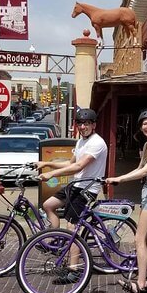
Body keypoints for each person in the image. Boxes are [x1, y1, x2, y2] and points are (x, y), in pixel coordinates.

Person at [35, 108, 108, 282]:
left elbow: (78, 167)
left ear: (94, 125)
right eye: (80, 123)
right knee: (48, 205)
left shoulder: (97, 143)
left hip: (87, 189)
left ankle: (73, 270)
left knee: (72, 228)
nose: (83, 127)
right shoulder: (81, 142)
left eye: (87, 123)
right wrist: (45, 163)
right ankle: (54, 240)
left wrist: (51, 174)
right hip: (75, 185)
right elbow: (69, 163)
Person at [106, 110, 147, 293]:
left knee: (139, 239)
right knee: (146, 237)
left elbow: (146, 171)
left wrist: (119, 179)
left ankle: (141, 283)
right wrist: (120, 178)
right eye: (144, 124)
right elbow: (140, 168)